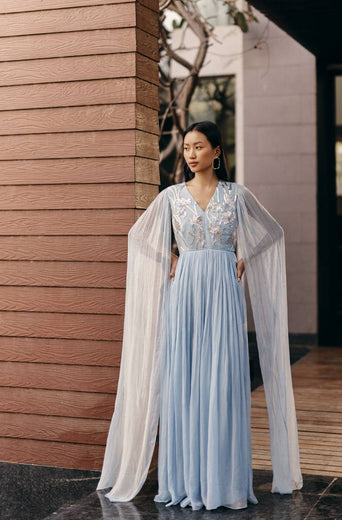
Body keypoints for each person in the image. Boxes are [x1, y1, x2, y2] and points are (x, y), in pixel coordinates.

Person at [96, 121, 303, 510]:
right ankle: (188, 480)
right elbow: (139, 236)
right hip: (187, 294)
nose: (190, 154)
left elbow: (271, 233)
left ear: (217, 152)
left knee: (222, 381)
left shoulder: (236, 196)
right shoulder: (172, 197)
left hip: (224, 295)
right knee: (186, 381)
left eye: (199, 146)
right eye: (187, 148)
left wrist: (245, 256)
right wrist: (172, 258)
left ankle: (223, 482)